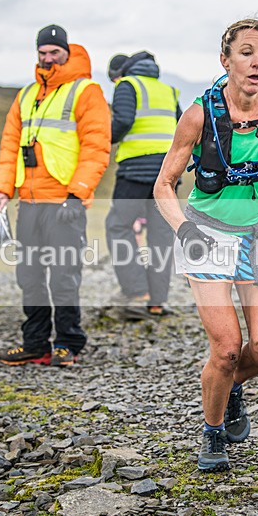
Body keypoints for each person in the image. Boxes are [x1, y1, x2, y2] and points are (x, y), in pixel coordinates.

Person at [153, 18, 258, 472]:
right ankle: (213, 430)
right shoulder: (200, 115)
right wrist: (184, 229)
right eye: (246, 52)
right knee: (226, 348)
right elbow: (163, 186)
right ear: (225, 60)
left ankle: (229, 386)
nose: (257, 62)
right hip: (206, 234)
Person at [0, 24, 111, 367]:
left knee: (63, 275)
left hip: (64, 203)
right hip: (29, 202)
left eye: (54, 52)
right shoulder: (26, 95)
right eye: (42, 53)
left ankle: (67, 343)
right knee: (28, 276)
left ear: (66, 53)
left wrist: (78, 193)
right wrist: (1, 189)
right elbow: (9, 146)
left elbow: (96, 146)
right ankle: (35, 343)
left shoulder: (86, 91)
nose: (47, 58)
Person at [105, 51, 181, 320]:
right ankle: (157, 301)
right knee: (161, 235)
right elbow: (182, 127)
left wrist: (103, 138)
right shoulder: (168, 91)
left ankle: (137, 292)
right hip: (167, 174)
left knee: (118, 226)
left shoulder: (128, 85)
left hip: (135, 170)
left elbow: (123, 121)